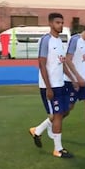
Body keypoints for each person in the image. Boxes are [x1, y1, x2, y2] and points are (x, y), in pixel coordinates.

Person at [29, 12, 74, 158]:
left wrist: (72, 79)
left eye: (62, 22)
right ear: (50, 24)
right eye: (57, 22)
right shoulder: (45, 40)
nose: (60, 25)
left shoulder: (60, 42)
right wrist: (48, 87)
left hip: (60, 84)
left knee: (64, 112)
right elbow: (42, 64)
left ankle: (37, 130)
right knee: (58, 115)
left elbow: (62, 64)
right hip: (49, 85)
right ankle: (58, 149)